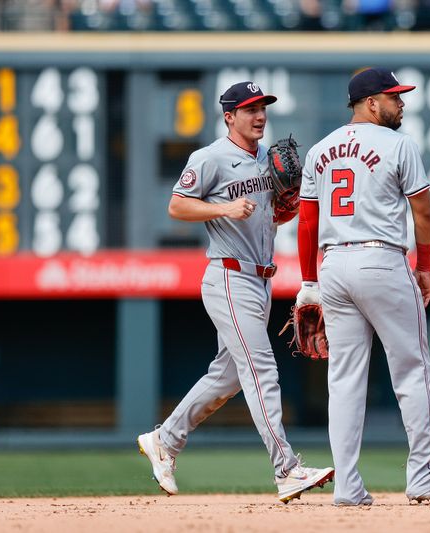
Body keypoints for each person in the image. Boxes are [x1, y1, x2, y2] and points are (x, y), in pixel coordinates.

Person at [137, 81, 333, 503]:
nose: (259, 115)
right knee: (262, 370)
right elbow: (177, 205)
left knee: (226, 378)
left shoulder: (268, 159)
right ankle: (287, 469)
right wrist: (222, 207)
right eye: (249, 110)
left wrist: (285, 209)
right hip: (227, 275)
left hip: (261, 278)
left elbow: (270, 218)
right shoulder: (209, 158)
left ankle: (165, 439)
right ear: (229, 116)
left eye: (262, 108)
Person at [296, 67, 430, 505]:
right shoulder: (399, 144)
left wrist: (308, 282)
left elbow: (308, 222)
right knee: (412, 371)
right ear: (371, 103)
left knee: (345, 381)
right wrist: (425, 266)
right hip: (381, 260)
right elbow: (425, 214)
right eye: (394, 97)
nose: (401, 103)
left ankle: (347, 486)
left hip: (333, 265)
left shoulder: (320, 150)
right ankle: (423, 475)